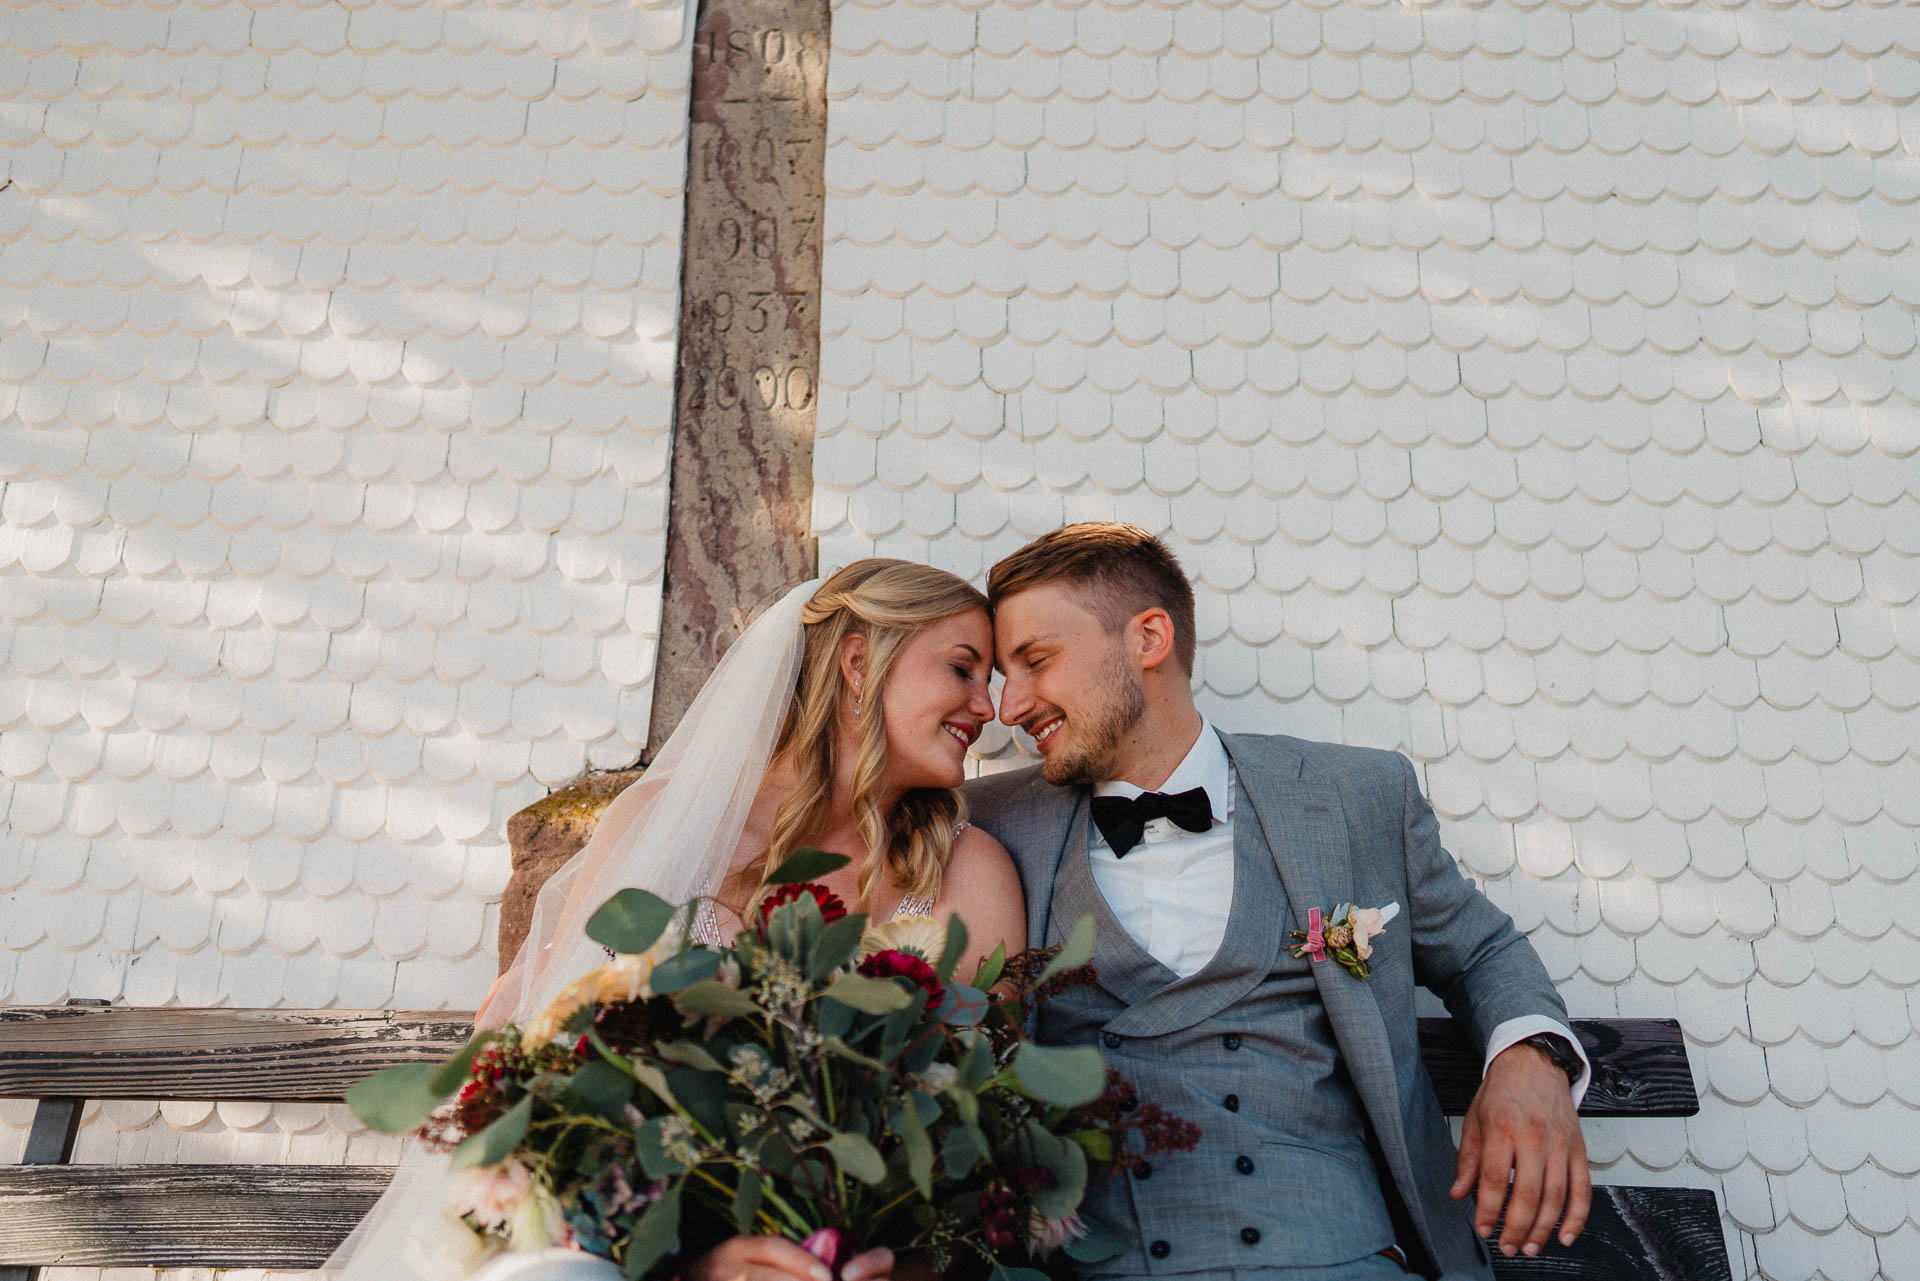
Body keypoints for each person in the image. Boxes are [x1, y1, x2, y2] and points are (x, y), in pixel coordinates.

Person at [327, 561, 1026, 1281]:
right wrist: (695, 1261)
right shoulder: (664, 821)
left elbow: (993, 1129)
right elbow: (538, 1050)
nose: (990, 707)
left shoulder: (970, 871)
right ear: (858, 662)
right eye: (964, 669)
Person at [964, 524, 1591, 1281]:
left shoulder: (1355, 796)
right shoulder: (984, 827)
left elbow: (1483, 950)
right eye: (1003, 675)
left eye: (1034, 662)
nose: (1010, 707)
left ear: (1149, 637)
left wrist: (1532, 1057)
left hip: (1341, 1258)